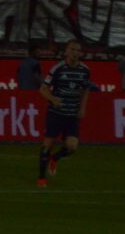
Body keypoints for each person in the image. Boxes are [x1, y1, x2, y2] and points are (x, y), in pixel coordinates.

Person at [37, 40, 94, 187]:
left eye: (78, 50)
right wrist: (53, 99)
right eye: (73, 49)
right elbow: (43, 88)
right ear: (66, 51)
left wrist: (82, 108)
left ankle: (55, 158)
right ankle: (41, 178)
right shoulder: (58, 69)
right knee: (47, 145)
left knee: (72, 146)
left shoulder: (85, 70)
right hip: (56, 114)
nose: (76, 53)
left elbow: (85, 90)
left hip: (72, 115)